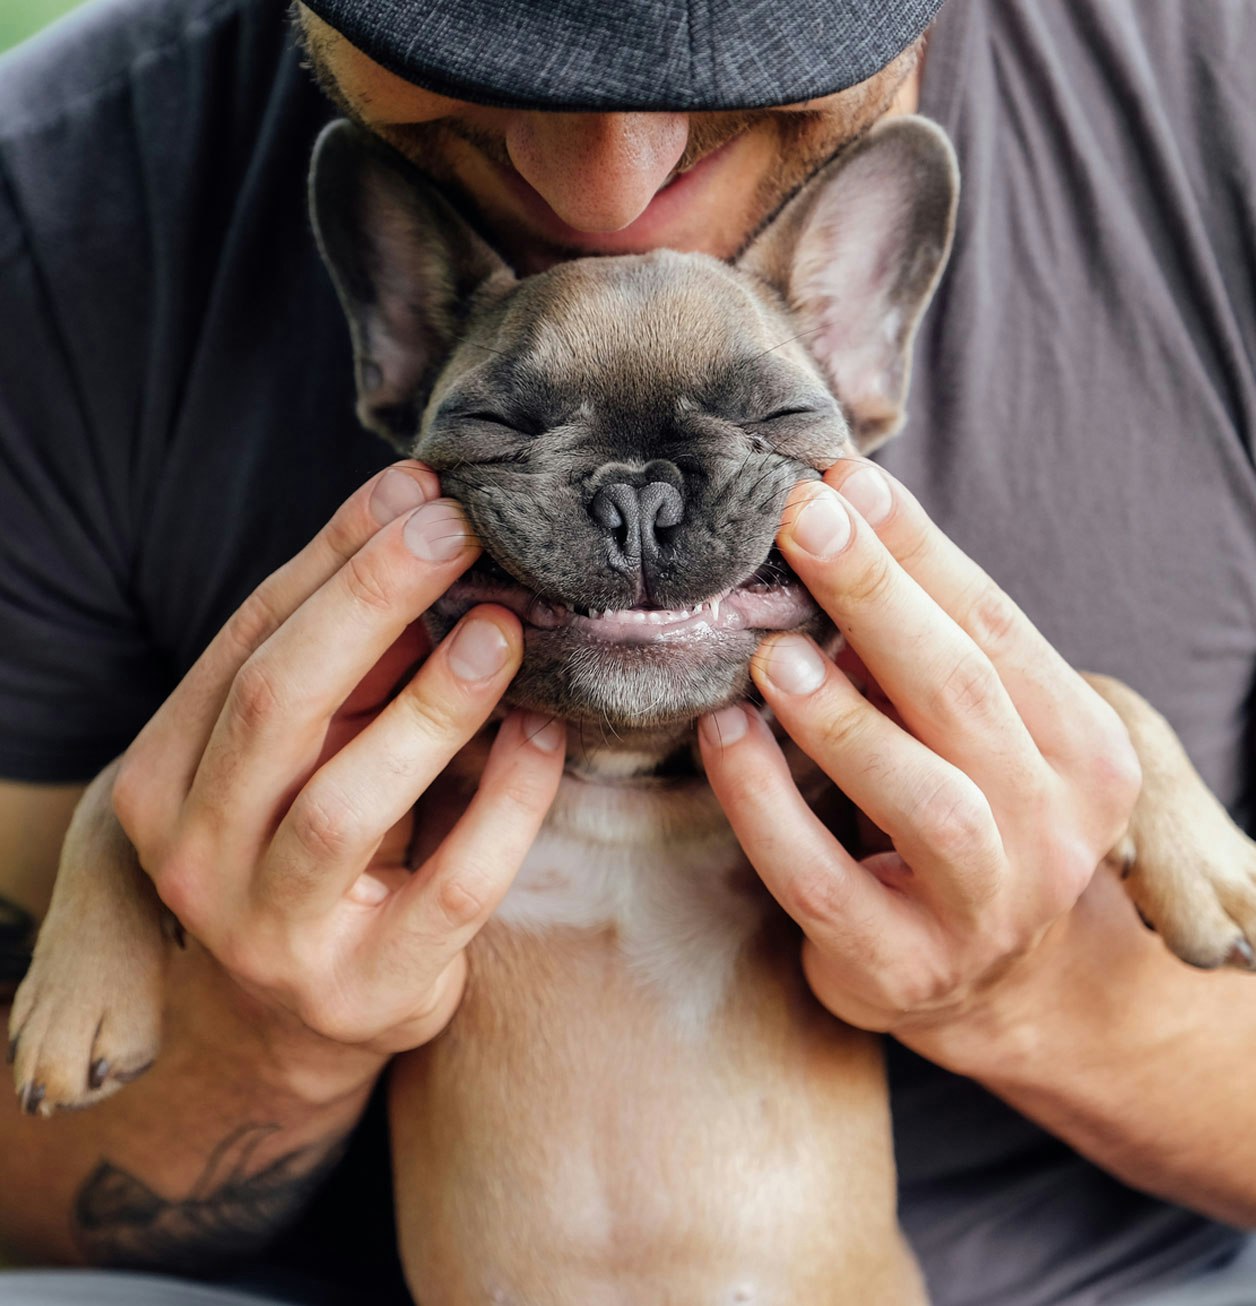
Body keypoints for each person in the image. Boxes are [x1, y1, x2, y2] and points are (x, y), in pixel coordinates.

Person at [0, 0, 1253, 1303]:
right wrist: (253, 1040)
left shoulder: (1219, 107)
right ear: (402, 359)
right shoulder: (62, 201)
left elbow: (1094, 746)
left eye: (754, 67)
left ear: (857, 355)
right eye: (472, 66)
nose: (610, 183)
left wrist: (1059, 991)